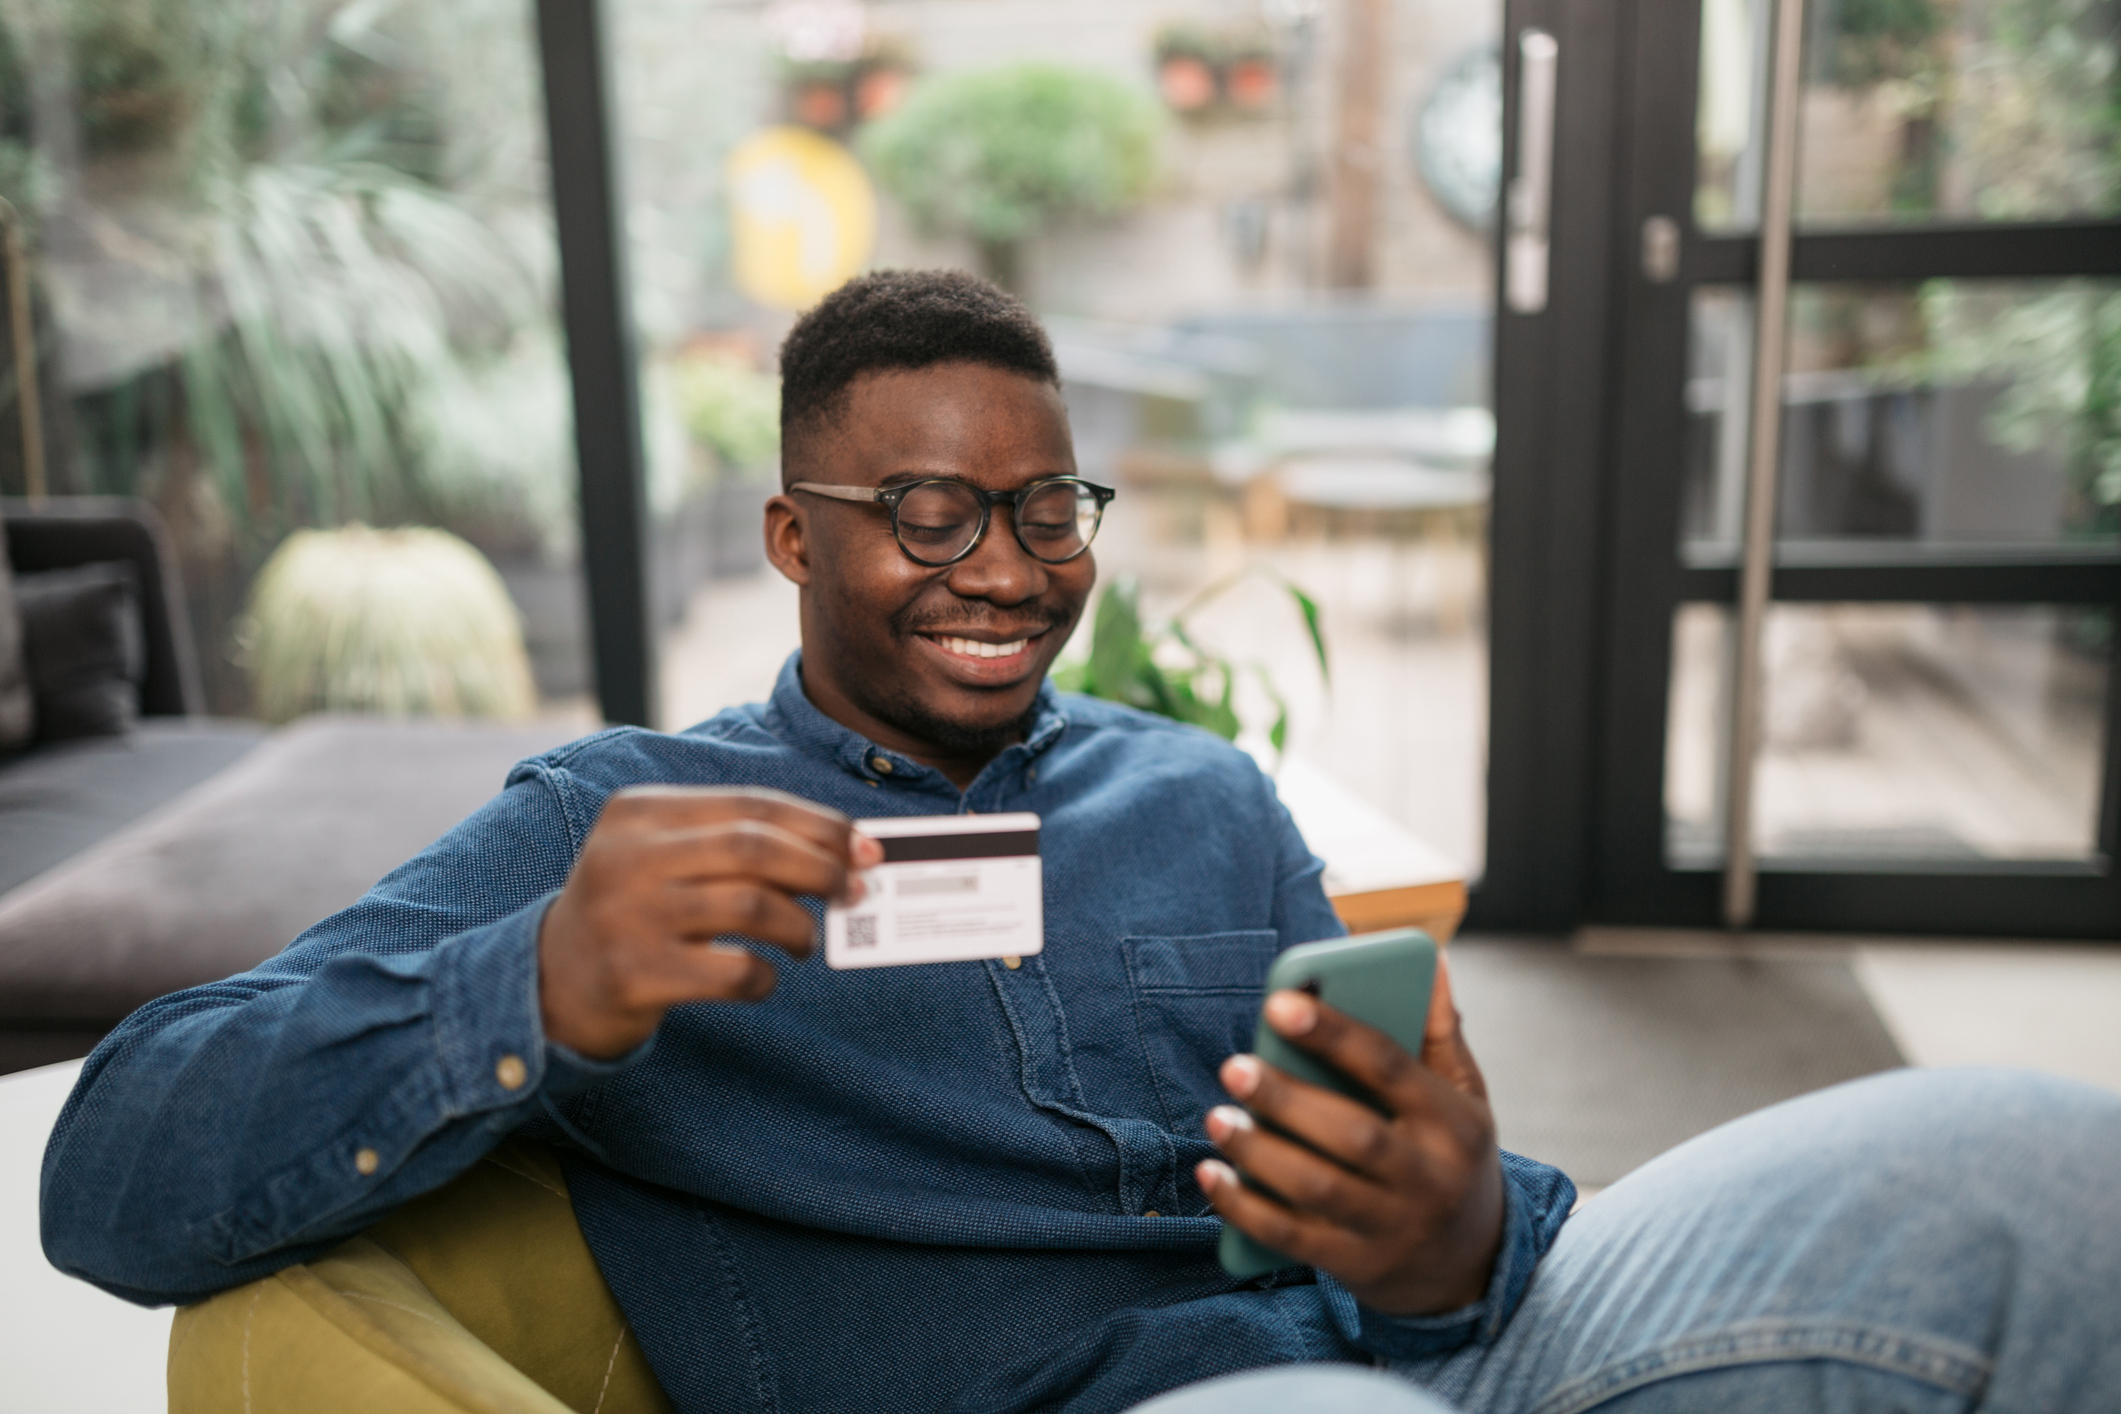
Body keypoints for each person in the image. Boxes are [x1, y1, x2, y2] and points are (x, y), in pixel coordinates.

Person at [41, 270, 2121, 1414]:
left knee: (2034, 1158)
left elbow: (1411, 1217)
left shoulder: (1198, 796)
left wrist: (1451, 1231)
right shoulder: (614, 829)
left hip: (1449, 1346)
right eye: (929, 512)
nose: (1007, 565)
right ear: (791, 536)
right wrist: (525, 983)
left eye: (1046, 509)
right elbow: (112, 1175)